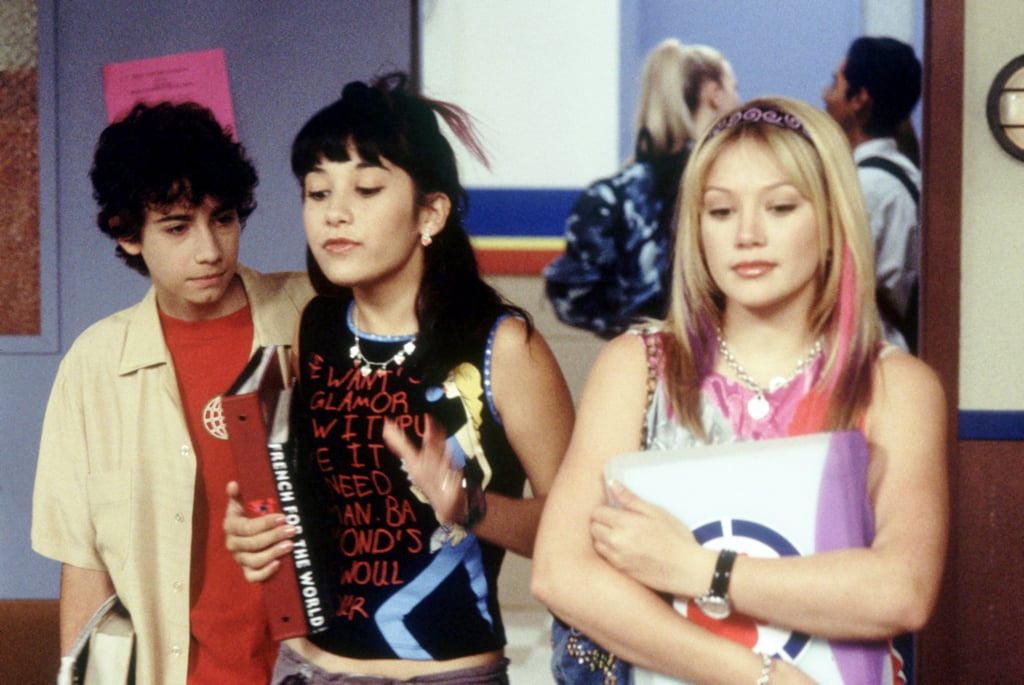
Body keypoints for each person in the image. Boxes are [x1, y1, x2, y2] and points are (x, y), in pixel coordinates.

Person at [531, 97, 947, 684]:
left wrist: (701, 569)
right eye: (721, 212)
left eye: (779, 207)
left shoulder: (896, 385)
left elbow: (901, 591)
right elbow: (559, 572)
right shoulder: (638, 365)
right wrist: (758, 677)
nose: (747, 234)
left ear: (833, 222)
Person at [223, 72, 574, 684]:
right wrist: (257, 528)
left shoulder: (503, 345)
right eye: (316, 192)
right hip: (304, 669)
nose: (335, 213)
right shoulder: (319, 324)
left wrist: (470, 507)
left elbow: (579, 532)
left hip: (442, 675)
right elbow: (316, 504)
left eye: (365, 188)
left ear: (430, 212)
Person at [31, 102, 315, 683]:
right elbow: (85, 570)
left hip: (315, 668)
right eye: (178, 227)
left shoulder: (310, 319)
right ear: (127, 233)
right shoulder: (94, 367)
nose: (209, 249)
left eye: (224, 218)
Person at [544, 39, 741, 339]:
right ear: (714, 95)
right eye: (734, 88)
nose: (739, 100)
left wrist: (640, 328)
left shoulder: (612, 195)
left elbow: (571, 295)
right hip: (722, 360)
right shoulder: (728, 187)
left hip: (642, 368)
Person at [824, 36, 923, 352]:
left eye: (836, 83)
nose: (826, 97)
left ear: (859, 98)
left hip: (863, 355)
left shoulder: (866, 187)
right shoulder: (906, 175)